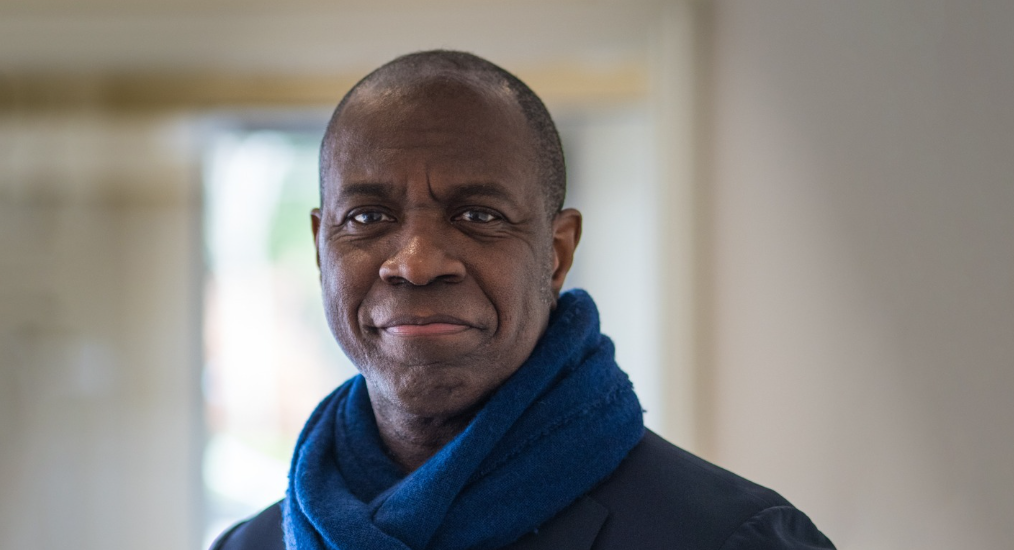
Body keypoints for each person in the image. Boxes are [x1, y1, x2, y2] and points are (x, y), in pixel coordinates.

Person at [213, 50, 834, 550]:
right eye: (370, 215)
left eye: (478, 214)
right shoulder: (252, 545)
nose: (419, 262)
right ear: (322, 248)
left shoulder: (731, 540)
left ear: (557, 253)